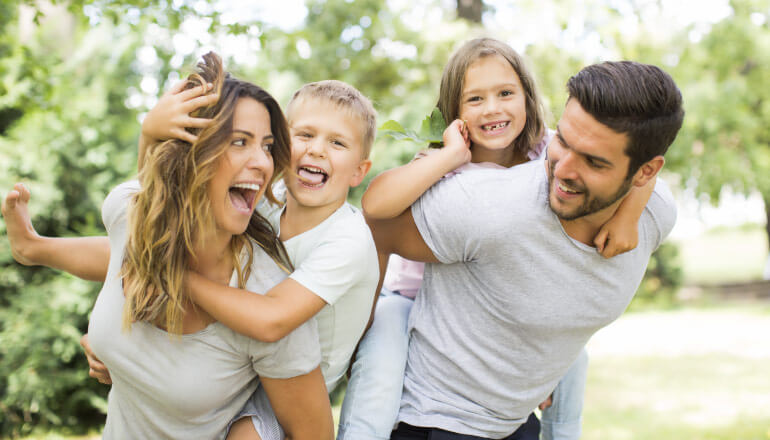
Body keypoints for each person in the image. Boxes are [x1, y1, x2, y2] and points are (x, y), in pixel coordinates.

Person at [1, 53, 334, 440]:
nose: (262, 162)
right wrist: (36, 249)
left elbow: (314, 433)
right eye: (240, 142)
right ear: (190, 154)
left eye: (267, 145)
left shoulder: (265, 294)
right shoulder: (131, 217)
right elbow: (127, 245)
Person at [339, 38, 649, 440]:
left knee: (574, 358)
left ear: (527, 96)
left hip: (511, 308)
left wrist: (629, 216)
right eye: (475, 99)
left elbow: (645, 157)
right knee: (377, 386)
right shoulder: (440, 165)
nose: (493, 109)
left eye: (506, 93)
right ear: (454, 111)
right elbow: (375, 205)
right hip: (411, 300)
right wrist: (449, 158)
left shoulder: (550, 152)